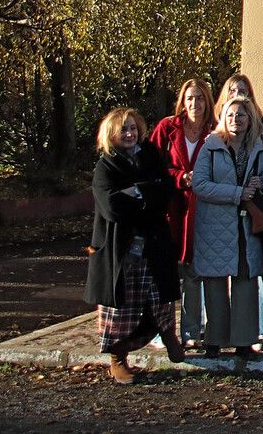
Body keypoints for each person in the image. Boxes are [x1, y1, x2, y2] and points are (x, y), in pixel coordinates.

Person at [85, 107, 184, 384]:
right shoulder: (106, 167)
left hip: (153, 242)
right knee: (121, 306)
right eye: (123, 130)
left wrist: (137, 191)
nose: (129, 134)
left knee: (159, 295)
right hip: (120, 248)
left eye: (132, 128)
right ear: (111, 134)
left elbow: (165, 191)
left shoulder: (151, 155)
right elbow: (112, 207)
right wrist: (146, 196)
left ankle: (168, 334)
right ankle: (118, 359)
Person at [192, 82, 263, 358]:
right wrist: (237, 193)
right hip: (214, 225)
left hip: (246, 226)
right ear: (222, 118)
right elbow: (200, 185)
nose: (236, 120)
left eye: (241, 115)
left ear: (250, 119)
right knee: (214, 283)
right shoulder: (210, 147)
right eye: (230, 115)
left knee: (245, 281)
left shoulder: (258, 148)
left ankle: (244, 340)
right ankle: (213, 341)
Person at [148, 78, 213, 349]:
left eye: (199, 98)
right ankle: (159, 330)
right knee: (164, 272)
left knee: (194, 272)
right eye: (190, 98)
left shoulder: (214, 132)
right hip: (170, 210)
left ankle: (190, 332)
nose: (194, 103)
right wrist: (179, 177)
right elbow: (152, 165)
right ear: (182, 102)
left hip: (201, 211)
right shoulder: (168, 128)